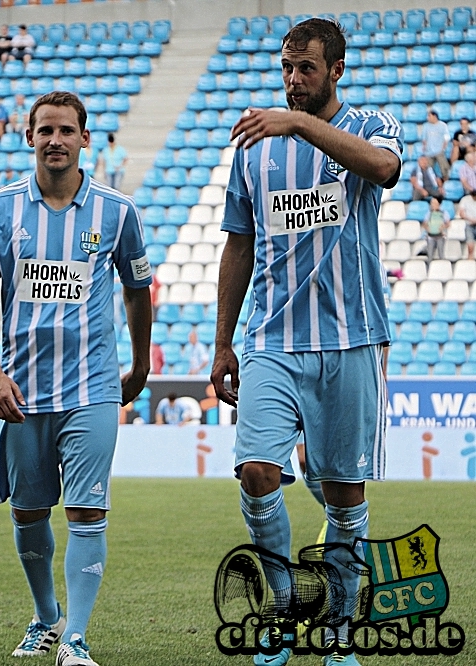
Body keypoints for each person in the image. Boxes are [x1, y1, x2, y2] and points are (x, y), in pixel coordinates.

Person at [212, 19, 401, 666]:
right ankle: (285, 605)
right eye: (287, 68)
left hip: (351, 340)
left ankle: (342, 625)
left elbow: (384, 169)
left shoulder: (370, 125)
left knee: (344, 494)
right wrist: (222, 343)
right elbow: (239, 241)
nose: (293, 81)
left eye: (307, 69)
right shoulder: (253, 148)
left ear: (336, 69)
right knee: (258, 471)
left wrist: (297, 125)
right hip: (272, 339)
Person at [0, 90, 153, 666]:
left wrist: (139, 364)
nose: (55, 140)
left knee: (88, 511)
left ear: (84, 138)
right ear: (29, 137)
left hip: (93, 385)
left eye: (67, 130)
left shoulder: (117, 212)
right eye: (45, 130)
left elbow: (138, 290)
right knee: (29, 512)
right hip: (21, 390)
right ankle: (47, 616)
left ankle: (76, 638)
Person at [421, 109, 451, 180]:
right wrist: (424, 146)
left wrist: (443, 147)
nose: (428, 118)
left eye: (429, 116)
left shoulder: (443, 125)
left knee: (444, 168)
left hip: (439, 150)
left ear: (434, 116)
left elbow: (446, 137)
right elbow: (424, 138)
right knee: (428, 169)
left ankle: (446, 181)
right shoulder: (426, 126)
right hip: (429, 151)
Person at [423, 197, 448, 261]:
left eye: (434, 203)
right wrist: (427, 228)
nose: (433, 205)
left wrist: (443, 227)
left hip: (440, 235)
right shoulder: (429, 213)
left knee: (441, 254)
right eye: (432, 203)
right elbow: (424, 223)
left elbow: (448, 223)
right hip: (430, 236)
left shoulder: (443, 213)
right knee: (430, 254)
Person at [458, 190, 476, 260]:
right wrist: (471, 220)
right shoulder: (465, 199)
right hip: (469, 224)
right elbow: (461, 213)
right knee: (470, 244)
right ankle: (470, 260)